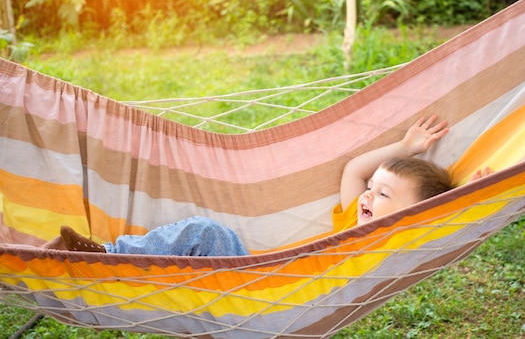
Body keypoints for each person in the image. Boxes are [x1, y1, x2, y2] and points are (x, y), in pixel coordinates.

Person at [60, 115, 463, 256]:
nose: (368, 195)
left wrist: (471, 198)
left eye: (383, 193)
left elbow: (437, 226)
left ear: (412, 214)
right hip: (258, 272)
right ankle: (108, 255)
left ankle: (107, 256)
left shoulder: (392, 244)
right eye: (373, 188)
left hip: (277, 292)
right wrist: (407, 147)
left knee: (203, 232)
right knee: (200, 235)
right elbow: (354, 170)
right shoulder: (351, 222)